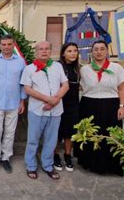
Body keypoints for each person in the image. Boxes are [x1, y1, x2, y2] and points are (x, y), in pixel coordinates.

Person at [76, 40, 124, 176]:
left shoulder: (116, 68)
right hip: (89, 105)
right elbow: (80, 86)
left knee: (109, 135)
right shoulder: (84, 70)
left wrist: (122, 106)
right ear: (91, 52)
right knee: (90, 135)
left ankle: (111, 165)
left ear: (107, 51)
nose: (99, 52)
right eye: (96, 49)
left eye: (102, 49)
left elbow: (122, 88)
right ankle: (90, 163)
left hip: (110, 105)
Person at [21, 41, 69, 180]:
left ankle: (48, 165)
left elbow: (65, 85)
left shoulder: (57, 66)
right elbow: (27, 89)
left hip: (56, 111)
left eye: (47, 49)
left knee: (51, 140)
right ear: (36, 52)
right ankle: (31, 166)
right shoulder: (29, 69)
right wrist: (48, 99)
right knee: (33, 140)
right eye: (41, 49)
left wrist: (55, 100)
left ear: (50, 51)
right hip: (37, 110)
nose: (44, 51)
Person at [0, 34, 27, 175]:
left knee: (10, 133)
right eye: (3, 44)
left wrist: (22, 100)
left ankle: (6, 158)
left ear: (13, 45)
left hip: (14, 103)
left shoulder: (20, 62)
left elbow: (23, 83)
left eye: (9, 44)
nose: (6, 47)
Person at [53, 42, 81, 172]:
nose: (73, 53)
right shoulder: (56, 66)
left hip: (73, 105)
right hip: (58, 103)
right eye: (69, 51)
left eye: (75, 51)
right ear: (63, 53)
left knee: (70, 132)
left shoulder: (79, 68)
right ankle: (55, 155)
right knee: (56, 132)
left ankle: (68, 155)